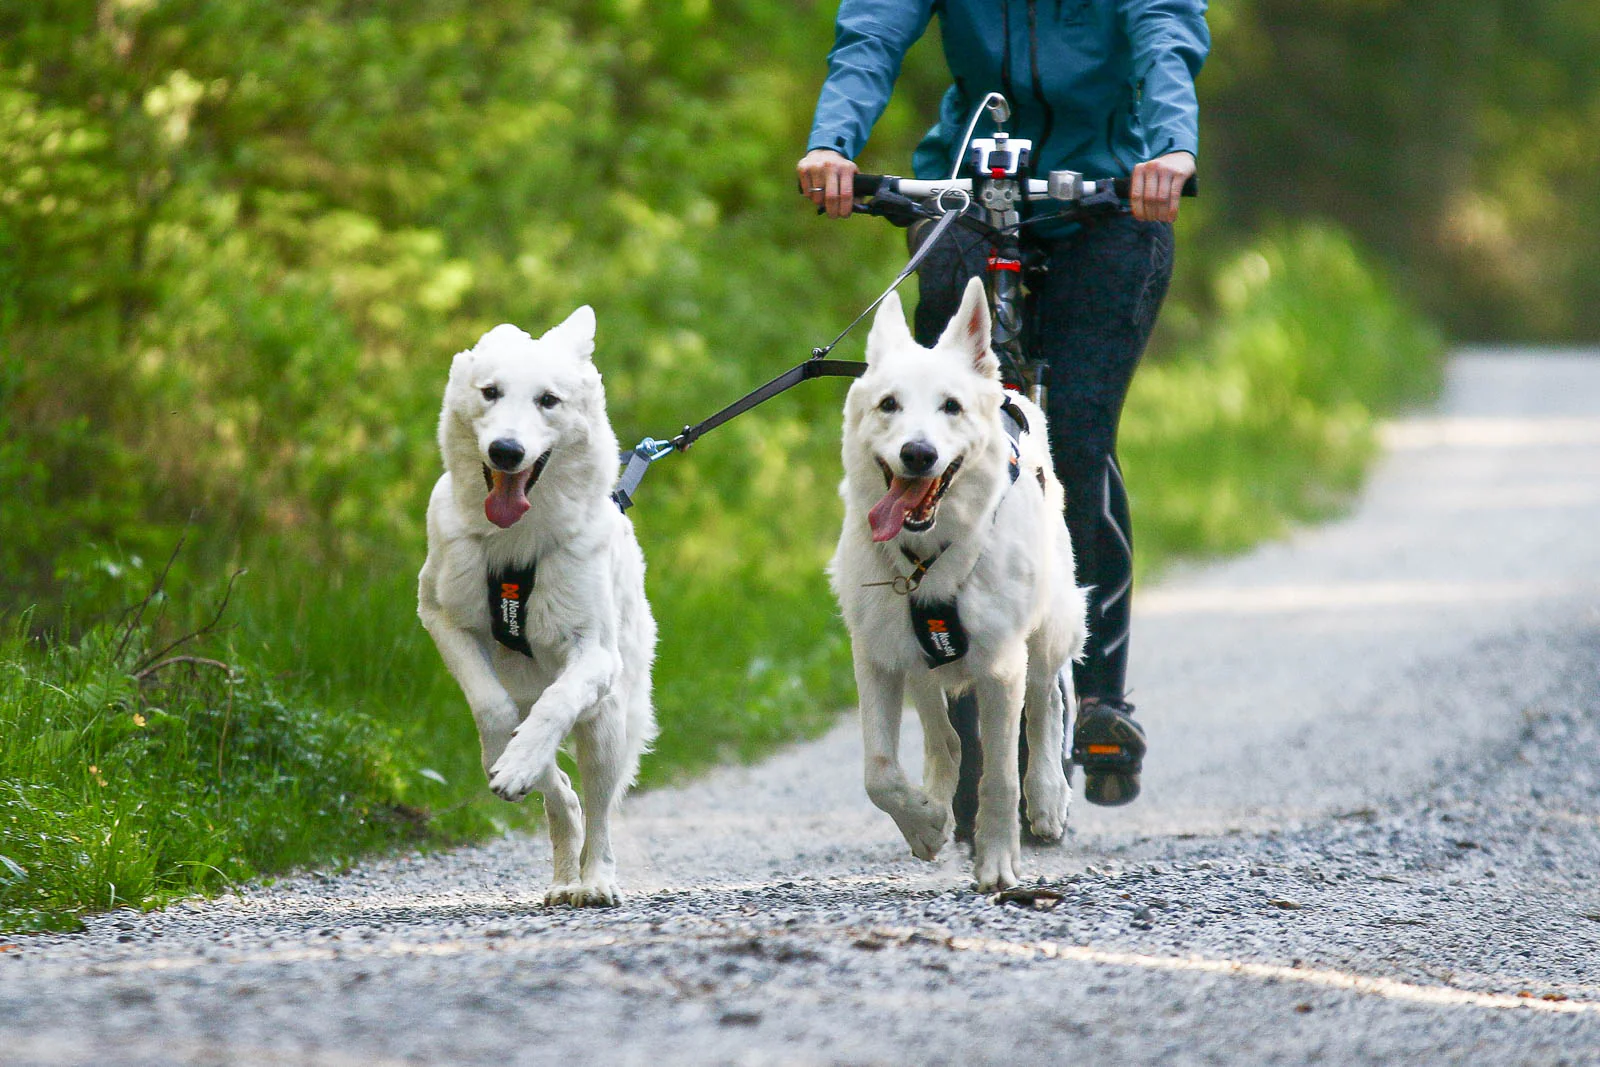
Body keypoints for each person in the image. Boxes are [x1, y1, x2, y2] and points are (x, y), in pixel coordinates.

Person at [798, 0, 1208, 813]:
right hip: (965, 186)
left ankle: (1097, 697)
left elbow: (1164, 31)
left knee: (1079, 441)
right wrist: (831, 140)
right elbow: (873, 30)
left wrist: (1171, 146)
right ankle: (957, 689)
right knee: (944, 425)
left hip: (1114, 194)